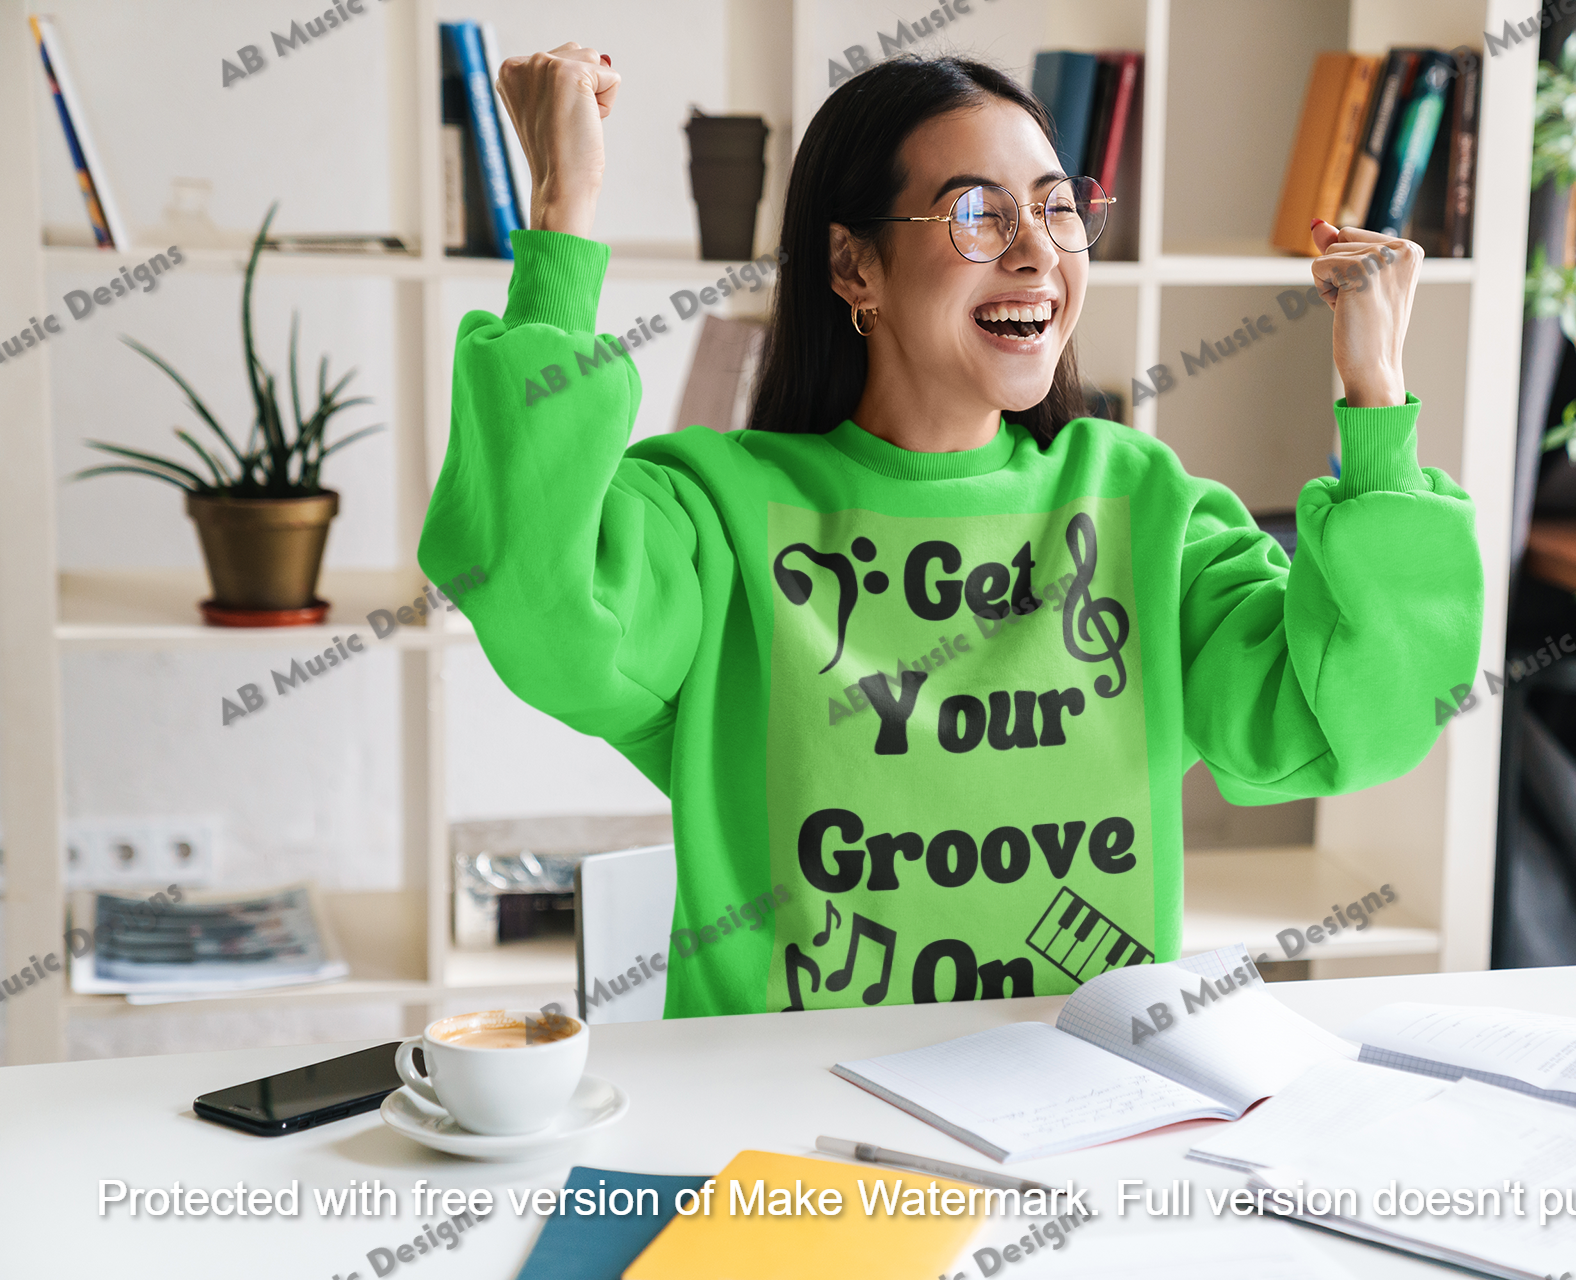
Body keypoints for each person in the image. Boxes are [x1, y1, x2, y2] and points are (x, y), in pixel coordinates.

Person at [421, 44, 1482, 1018]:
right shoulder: (718, 511)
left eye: (1058, 208)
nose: (1034, 252)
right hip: (790, 1126)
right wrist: (563, 215)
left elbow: (1352, 719)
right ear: (852, 267)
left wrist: (1377, 402)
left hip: (1077, 1113)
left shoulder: (1141, 503)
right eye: (976, 214)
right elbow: (529, 588)